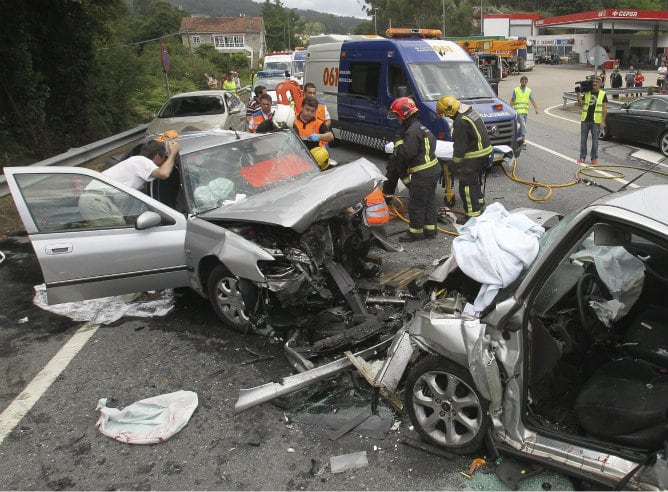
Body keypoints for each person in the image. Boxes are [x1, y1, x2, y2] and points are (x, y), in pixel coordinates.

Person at [79, 138, 180, 225]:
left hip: (95, 199)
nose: (164, 162)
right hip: (96, 200)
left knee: (119, 229)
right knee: (117, 233)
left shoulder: (138, 166)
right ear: (158, 156)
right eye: (164, 158)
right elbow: (164, 174)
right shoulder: (141, 161)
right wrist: (173, 153)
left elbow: (126, 203)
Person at [388, 97, 440, 241]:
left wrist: (398, 143)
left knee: (416, 203)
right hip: (434, 170)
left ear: (404, 115)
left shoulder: (411, 131)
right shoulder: (422, 127)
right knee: (429, 200)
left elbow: (407, 153)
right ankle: (430, 230)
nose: (397, 119)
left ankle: (415, 232)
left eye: (397, 116)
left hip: (422, 174)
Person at [437, 95, 492, 225]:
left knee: (466, 185)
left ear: (450, 110)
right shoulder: (471, 112)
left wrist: (454, 164)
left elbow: (460, 147)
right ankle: (479, 204)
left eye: (446, 114)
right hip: (485, 153)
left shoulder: (460, 122)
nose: (448, 117)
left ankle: (471, 215)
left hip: (474, 156)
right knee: (474, 181)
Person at [576, 76, 607, 165]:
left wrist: (603, 121)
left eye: (597, 82)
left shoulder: (602, 94)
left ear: (600, 84)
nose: (594, 83)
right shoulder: (587, 93)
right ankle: (582, 157)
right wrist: (578, 94)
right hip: (585, 119)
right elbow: (581, 105)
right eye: (593, 82)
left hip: (596, 121)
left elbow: (605, 109)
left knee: (595, 141)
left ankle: (594, 158)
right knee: (583, 140)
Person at [510, 76, 540, 150]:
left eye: (525, 82)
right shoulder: (516, 90)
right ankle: (523, 142)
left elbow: (532, 100)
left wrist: (536, 108)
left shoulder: (528, 91)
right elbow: (512, 100)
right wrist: (510, 109)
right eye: (523, 82)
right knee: (523, 126)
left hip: (525, 113)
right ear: (520, 82)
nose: (524, 83)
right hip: (518, 112)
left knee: (520, 127)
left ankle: (516, 140)